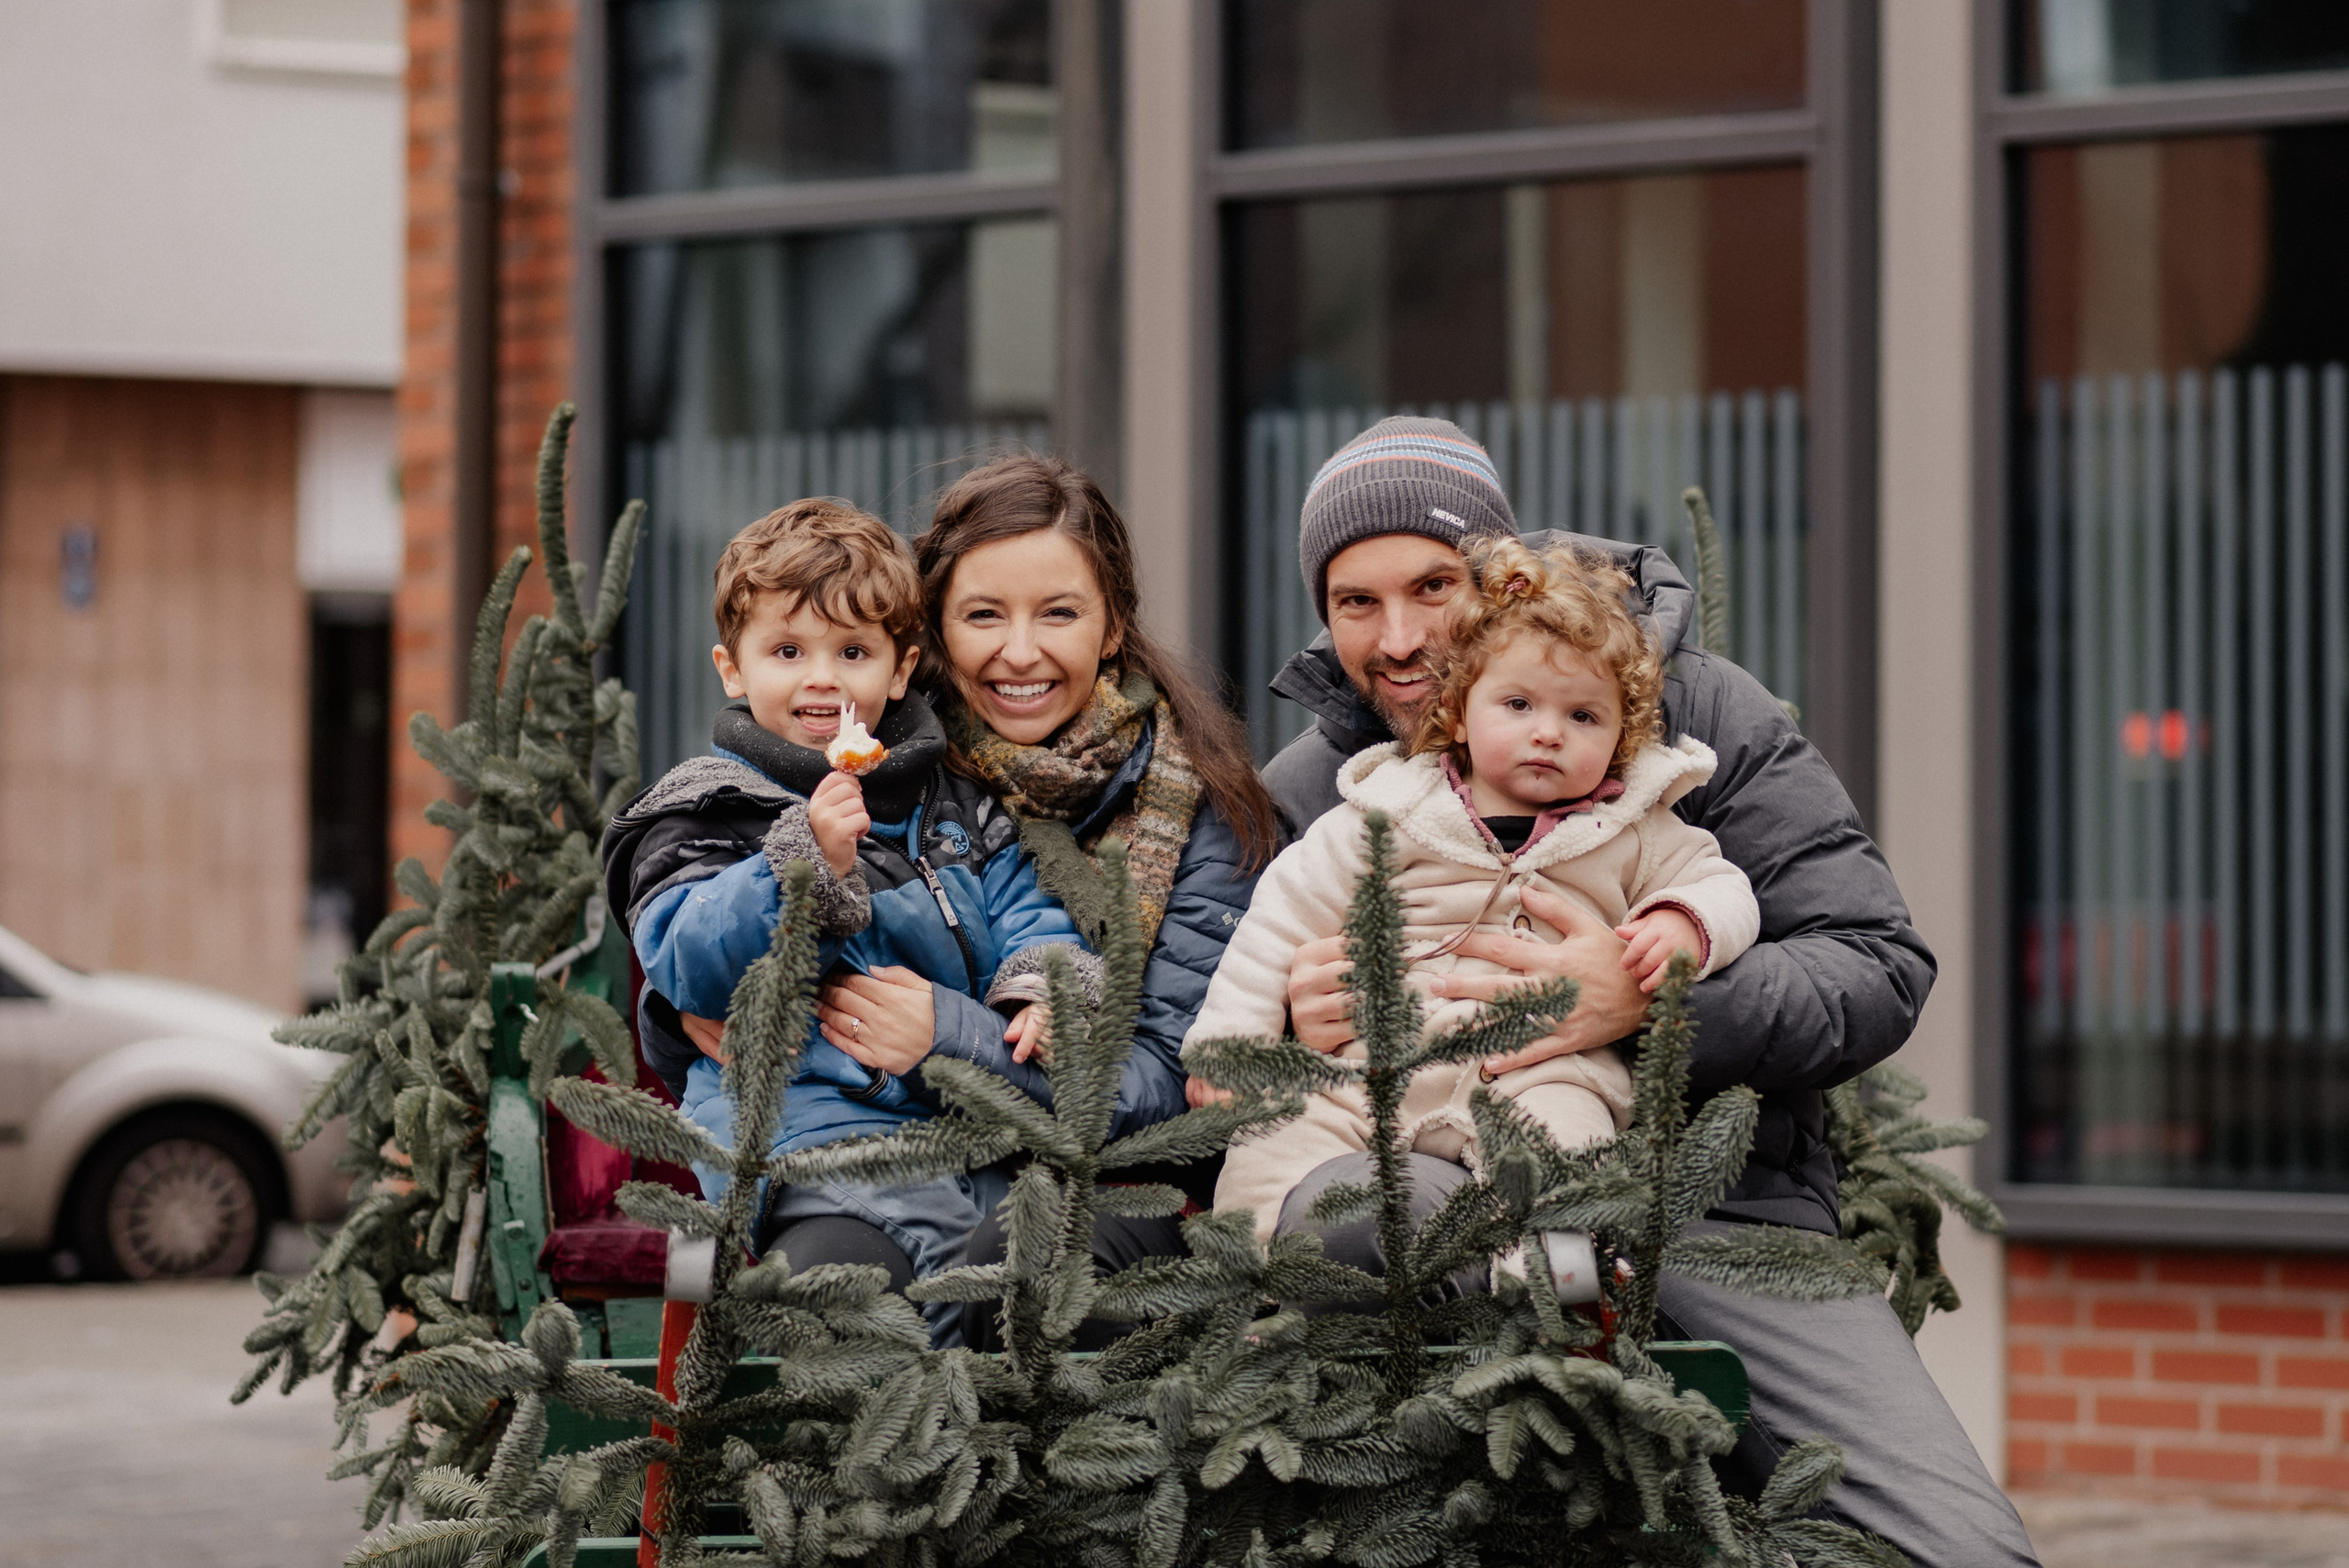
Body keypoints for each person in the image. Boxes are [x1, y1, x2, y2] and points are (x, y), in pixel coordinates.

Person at [1253, 417, 2037, 1567]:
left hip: (1728, 1214)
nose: (1402, 636)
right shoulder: (1316, 789)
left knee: (1961, 1550)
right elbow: (1208, 1028)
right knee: (1347, 1204)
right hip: (1452, 1185)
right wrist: (1297, 1016)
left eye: (1433, 583)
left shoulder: (1700, 715)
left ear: (1501, 573)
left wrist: (1649, 1010)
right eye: (1354, 601)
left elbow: (1872, 961)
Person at [599, 499, 1099, 1340]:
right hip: (806, 1154)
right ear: (733, 668)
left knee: (1024, 1283)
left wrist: (1042, 989)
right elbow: (686, 961)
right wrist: (801, 869)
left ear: (900, 671)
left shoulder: (954, 809)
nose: (822, 679)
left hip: (961, 1137)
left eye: (854, 652)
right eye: (788, 651)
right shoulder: (707, 810)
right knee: (859, 1296)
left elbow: (1026, 907)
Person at [1192, 535, 1758, 1240]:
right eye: (1518, 704)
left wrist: (1682, 924)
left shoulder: (1630, 828)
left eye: (1582, 716)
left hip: (1536, 1073)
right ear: (1458, 712)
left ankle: (1559, 1297)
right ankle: (1244, 1295)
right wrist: (1231, 1042)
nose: (1548, 733)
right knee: (1272, 1143)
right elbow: (1279, 916)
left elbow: (1723, 885)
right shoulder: (1388, 810)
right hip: (1373, 1067)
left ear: (1621, 737)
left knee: (1570, 1153)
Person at [901, 453, 1285, 1349]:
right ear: (934, 630)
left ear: (1111, 626)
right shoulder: (880, 783)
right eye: (983, 614)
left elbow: (1169, 1087)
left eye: (1059, 612)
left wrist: (944, 1037)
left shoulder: (1202, 808)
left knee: (1023, 1255)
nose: (1021, 650)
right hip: (900, 1164)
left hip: (1128, 1197)